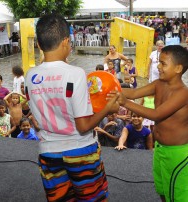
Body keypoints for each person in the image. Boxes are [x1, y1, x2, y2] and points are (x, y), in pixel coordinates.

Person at [25, 14, 119, 201]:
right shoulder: (75, 74)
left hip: (48, 152)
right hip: (80, 150)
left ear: (39, 44)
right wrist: (108, 108)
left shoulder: (30, 76)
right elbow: (83, 126)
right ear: (66, 41)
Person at [114, 45, 188, 202]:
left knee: (178, 194)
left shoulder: (183, 93)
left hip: (178, 153)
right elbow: (134, 92)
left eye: (163, 63)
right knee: (162, 189)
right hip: (160, 149)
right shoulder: (158, 84)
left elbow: (157, 114)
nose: (158, 67)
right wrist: (109, 88)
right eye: (158, 62)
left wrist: (125, 102)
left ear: (178, 68)